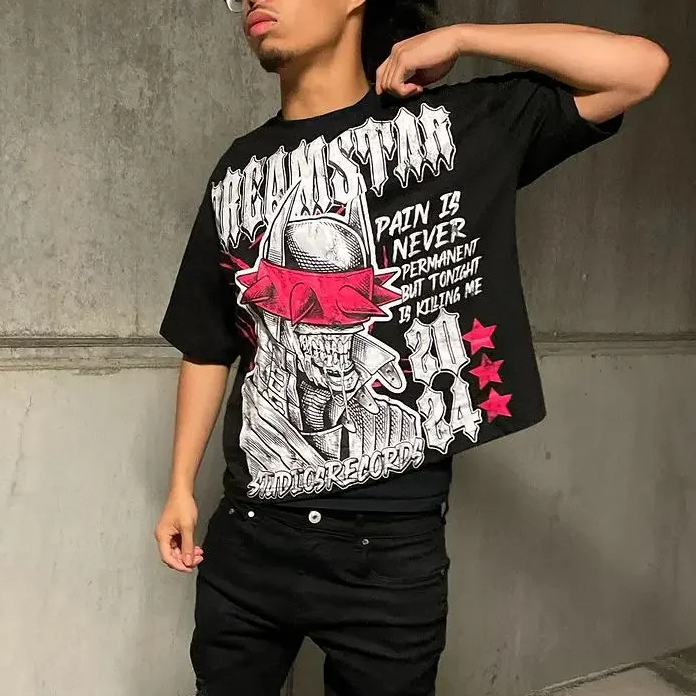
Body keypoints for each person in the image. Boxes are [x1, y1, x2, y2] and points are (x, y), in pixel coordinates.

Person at [155, 1, 668, 694]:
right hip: (250, 535)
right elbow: (208, 342)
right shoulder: (237, 170)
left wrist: (463, 36)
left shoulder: (450, 130)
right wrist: (180, 487)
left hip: (387, 555)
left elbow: (639, 69)